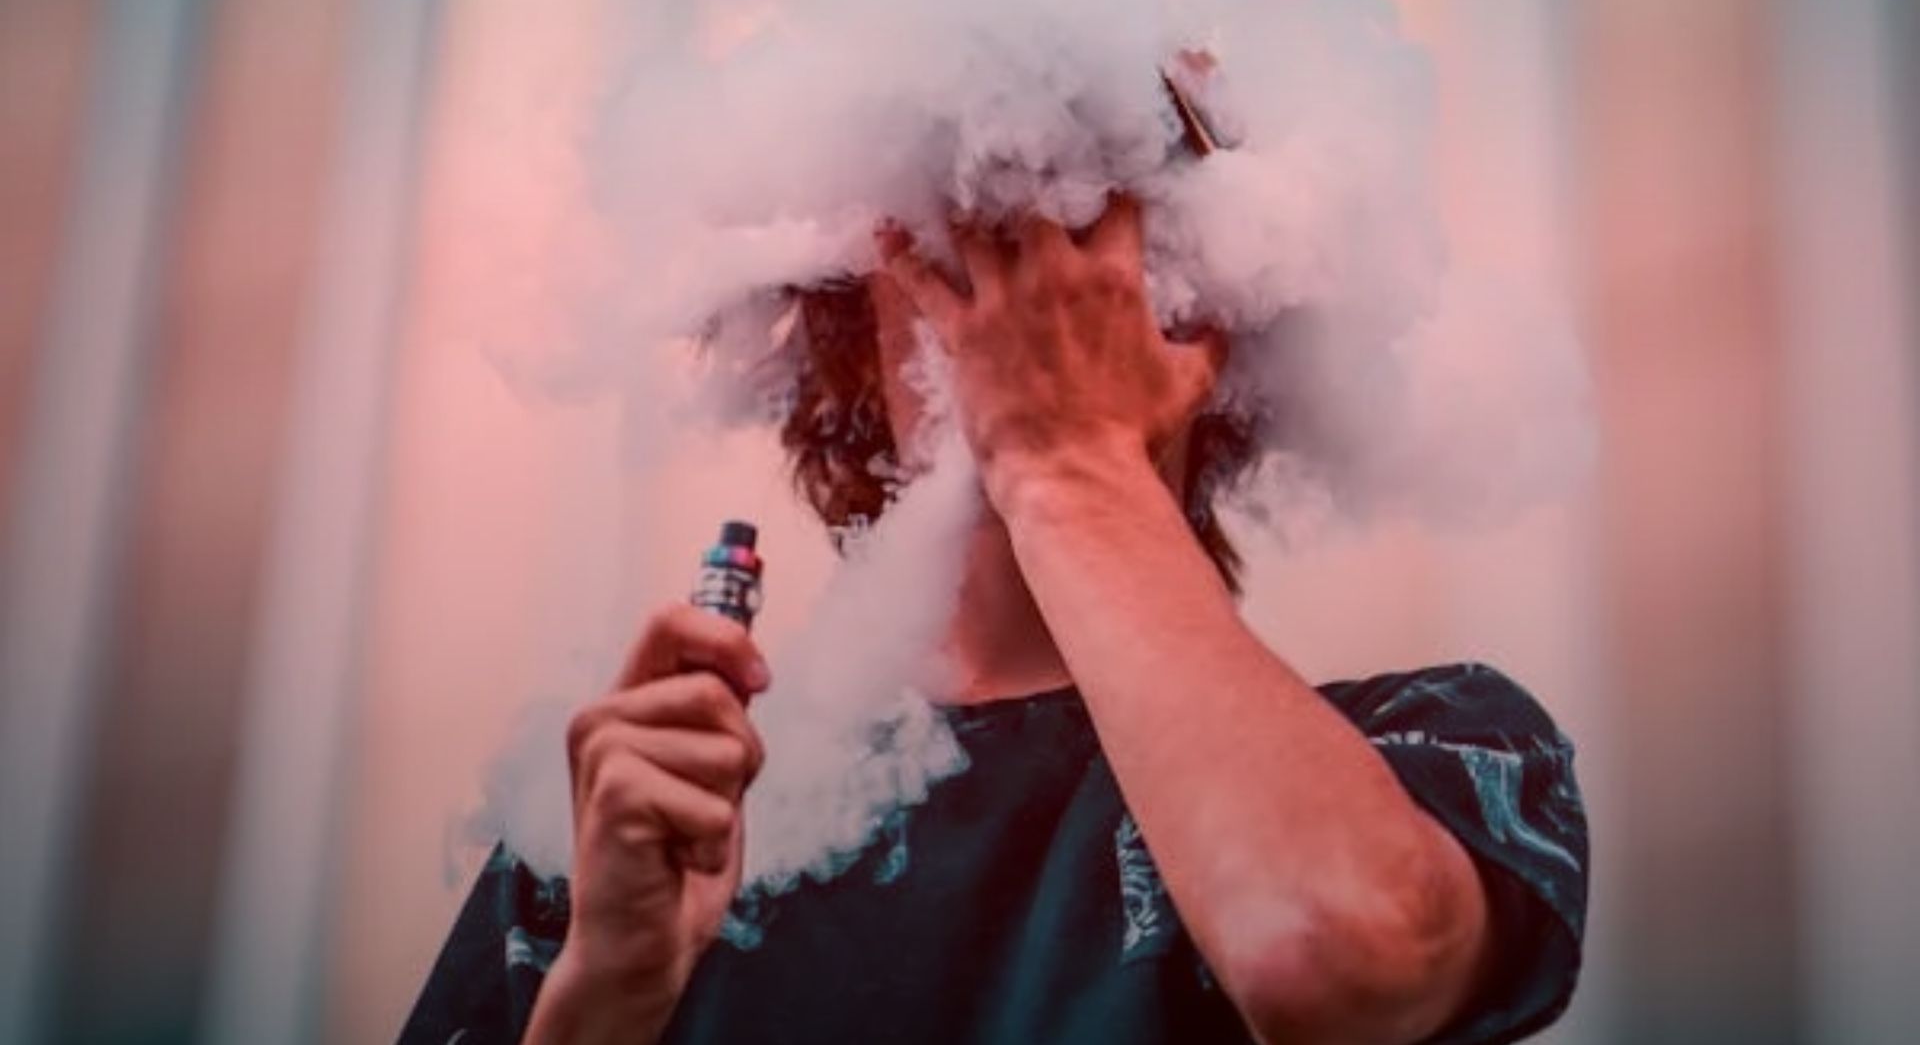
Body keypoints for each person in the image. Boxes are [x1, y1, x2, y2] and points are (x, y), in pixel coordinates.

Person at [401, 200, 1587, 1044]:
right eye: (955, 233)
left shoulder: (1435, 750)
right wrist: (605, 996)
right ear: (846, 330)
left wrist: (1066, 458)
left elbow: (1328, 960)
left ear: (1211, 331)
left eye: (1100, 233)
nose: (1028, 284)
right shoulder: (626, 827)